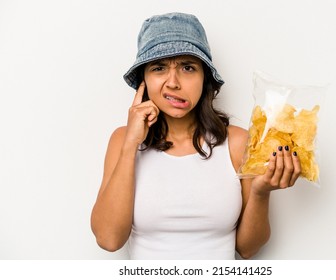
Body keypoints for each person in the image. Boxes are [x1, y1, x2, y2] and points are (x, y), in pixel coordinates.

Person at [90, 12, 301, 260]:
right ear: (143, 82)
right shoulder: (122, 140)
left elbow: (248, 249)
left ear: (205, 79)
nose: (173, 83)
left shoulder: (237, 142)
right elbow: (109, 239)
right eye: (159, 68)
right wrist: (131, 145)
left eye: (188, 68)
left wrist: (260, 191)